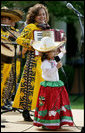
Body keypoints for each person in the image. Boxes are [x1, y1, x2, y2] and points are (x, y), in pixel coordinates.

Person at [12, 3, 50, 121]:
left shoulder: (47, 28)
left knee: (43, 86)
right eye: (39, 15)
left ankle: (42, 112)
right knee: (30, 86)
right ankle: (26, 111)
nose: (42, 17)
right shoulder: (30, 27)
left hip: (45, 61)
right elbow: (19, 39)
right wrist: (31, 43)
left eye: (43, 14)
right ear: (33, 16)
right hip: (33, 60)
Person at [32, 36, 74, 130]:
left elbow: (59, 56)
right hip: (49, 87)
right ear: (46, 53)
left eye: (55, 51)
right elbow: (48, 73)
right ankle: (47, 122)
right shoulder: (45, 63)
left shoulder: (53, 59)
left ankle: (57, 121)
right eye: (53, 51)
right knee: (49, 104)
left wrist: (62, 49)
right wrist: (56, 68)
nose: (55, 53)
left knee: (57, 103)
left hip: (56, 85)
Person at [1, 6, 23, 109]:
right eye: (2, 17)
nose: (4, 19)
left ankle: (6, 100)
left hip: (13, 59)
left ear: (10, 21)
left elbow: (20, 43)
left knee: (11, 81)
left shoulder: (13, 31)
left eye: (7, 18)